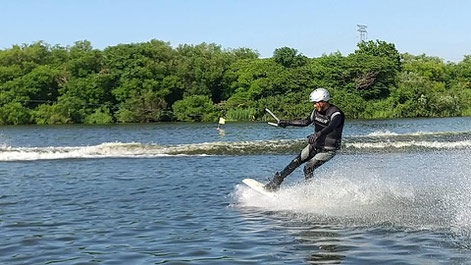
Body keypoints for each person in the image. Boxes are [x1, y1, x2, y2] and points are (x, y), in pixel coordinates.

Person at [264, 88, 345, 191]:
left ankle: (310, 193)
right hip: (315, 144)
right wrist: (287, 123)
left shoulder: (336, 114)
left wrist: (317, 134)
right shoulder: (316, 112)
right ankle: (276, 183)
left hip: (328, 149)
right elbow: (305, 122)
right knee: (296, 161)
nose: (314, 105)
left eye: (316, 103)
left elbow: (331, 127)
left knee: (308, 168)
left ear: (323, 101)